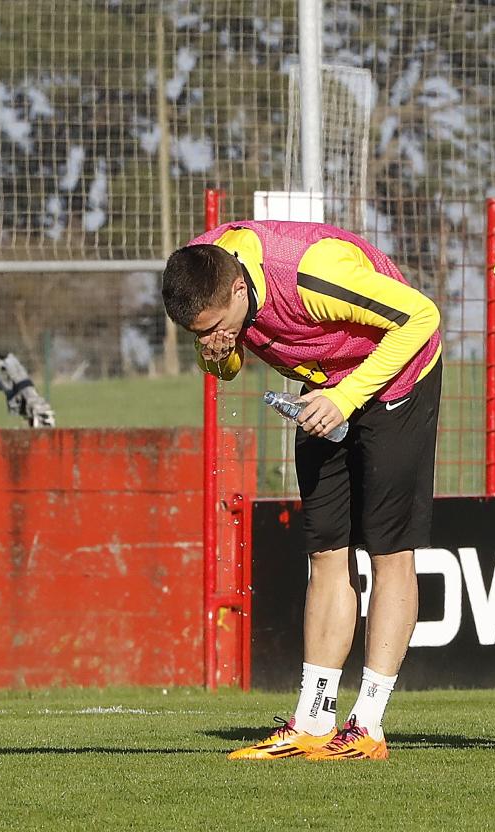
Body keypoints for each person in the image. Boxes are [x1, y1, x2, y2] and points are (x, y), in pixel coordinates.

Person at [163, 220, 442, 761]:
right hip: (324, 390)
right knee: (326, 552)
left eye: (216, 327)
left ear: (240, 290)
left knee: (389, 554)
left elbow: (421, 316)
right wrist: (217, 352)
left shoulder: (313, 273)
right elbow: (228, 361)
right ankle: (313, 719)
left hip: (396, 381)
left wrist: (348, 395)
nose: (210, 339)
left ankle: (368, 725)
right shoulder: (206, 274)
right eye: (198, 335)